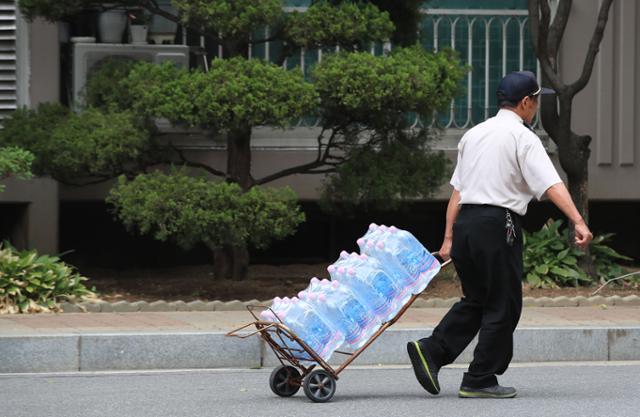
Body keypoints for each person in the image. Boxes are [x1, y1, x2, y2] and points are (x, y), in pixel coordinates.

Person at [407, 71, 593, 399]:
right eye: (535, 101)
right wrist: (578, 220)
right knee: (503, 304)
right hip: (497, 224)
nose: (535, 109)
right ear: (525, 103)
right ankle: (480, 378)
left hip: (466, 224)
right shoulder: (522, 138)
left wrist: (449, 237)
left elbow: (457, 192)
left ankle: (432, 351)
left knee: (477, 299)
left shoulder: (474, 135)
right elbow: (551, 184)